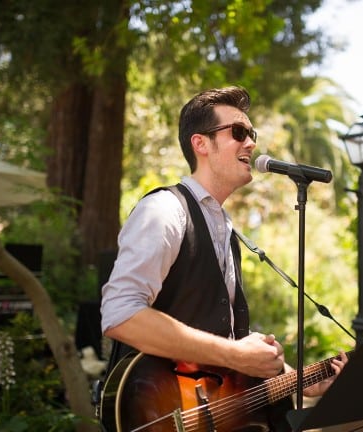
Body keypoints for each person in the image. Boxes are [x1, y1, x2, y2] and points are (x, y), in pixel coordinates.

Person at [100, 86, 346, 431]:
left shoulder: (226, 230)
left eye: (252, 134)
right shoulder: (165, 210)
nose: (251, 143)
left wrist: (300, 379)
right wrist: (236, 355)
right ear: (200, 144)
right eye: (239, 132)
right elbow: (120, 314)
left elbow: (223, 352)